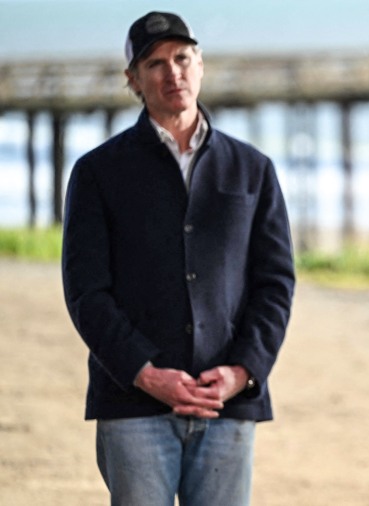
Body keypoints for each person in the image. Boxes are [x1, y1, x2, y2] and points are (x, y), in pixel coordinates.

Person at [61, 11, 295, 506]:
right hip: (132, 402)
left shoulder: (253, 168)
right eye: (155, 63)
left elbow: (275, 283)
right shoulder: (97, 172)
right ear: (133, 80)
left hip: (225, 403)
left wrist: (243, 370)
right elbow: (86, 293)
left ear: (201, 64)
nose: (173, 72)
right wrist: (146, 373)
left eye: (183, 58)